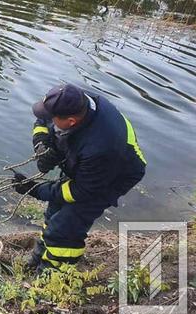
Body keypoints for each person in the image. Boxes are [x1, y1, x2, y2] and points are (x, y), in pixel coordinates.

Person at [14, 83, 146, 273]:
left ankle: (53, 277)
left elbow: (80, 192)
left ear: (71, 122)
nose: (48, 118)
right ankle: (37, 260)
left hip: (113, 176)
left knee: (65, 228)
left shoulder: (101, 147)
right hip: (84, 162)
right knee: (53, 214)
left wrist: (34, 189)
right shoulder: (73, 100)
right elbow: (42, 121)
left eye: (53, 118)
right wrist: (42, 145)